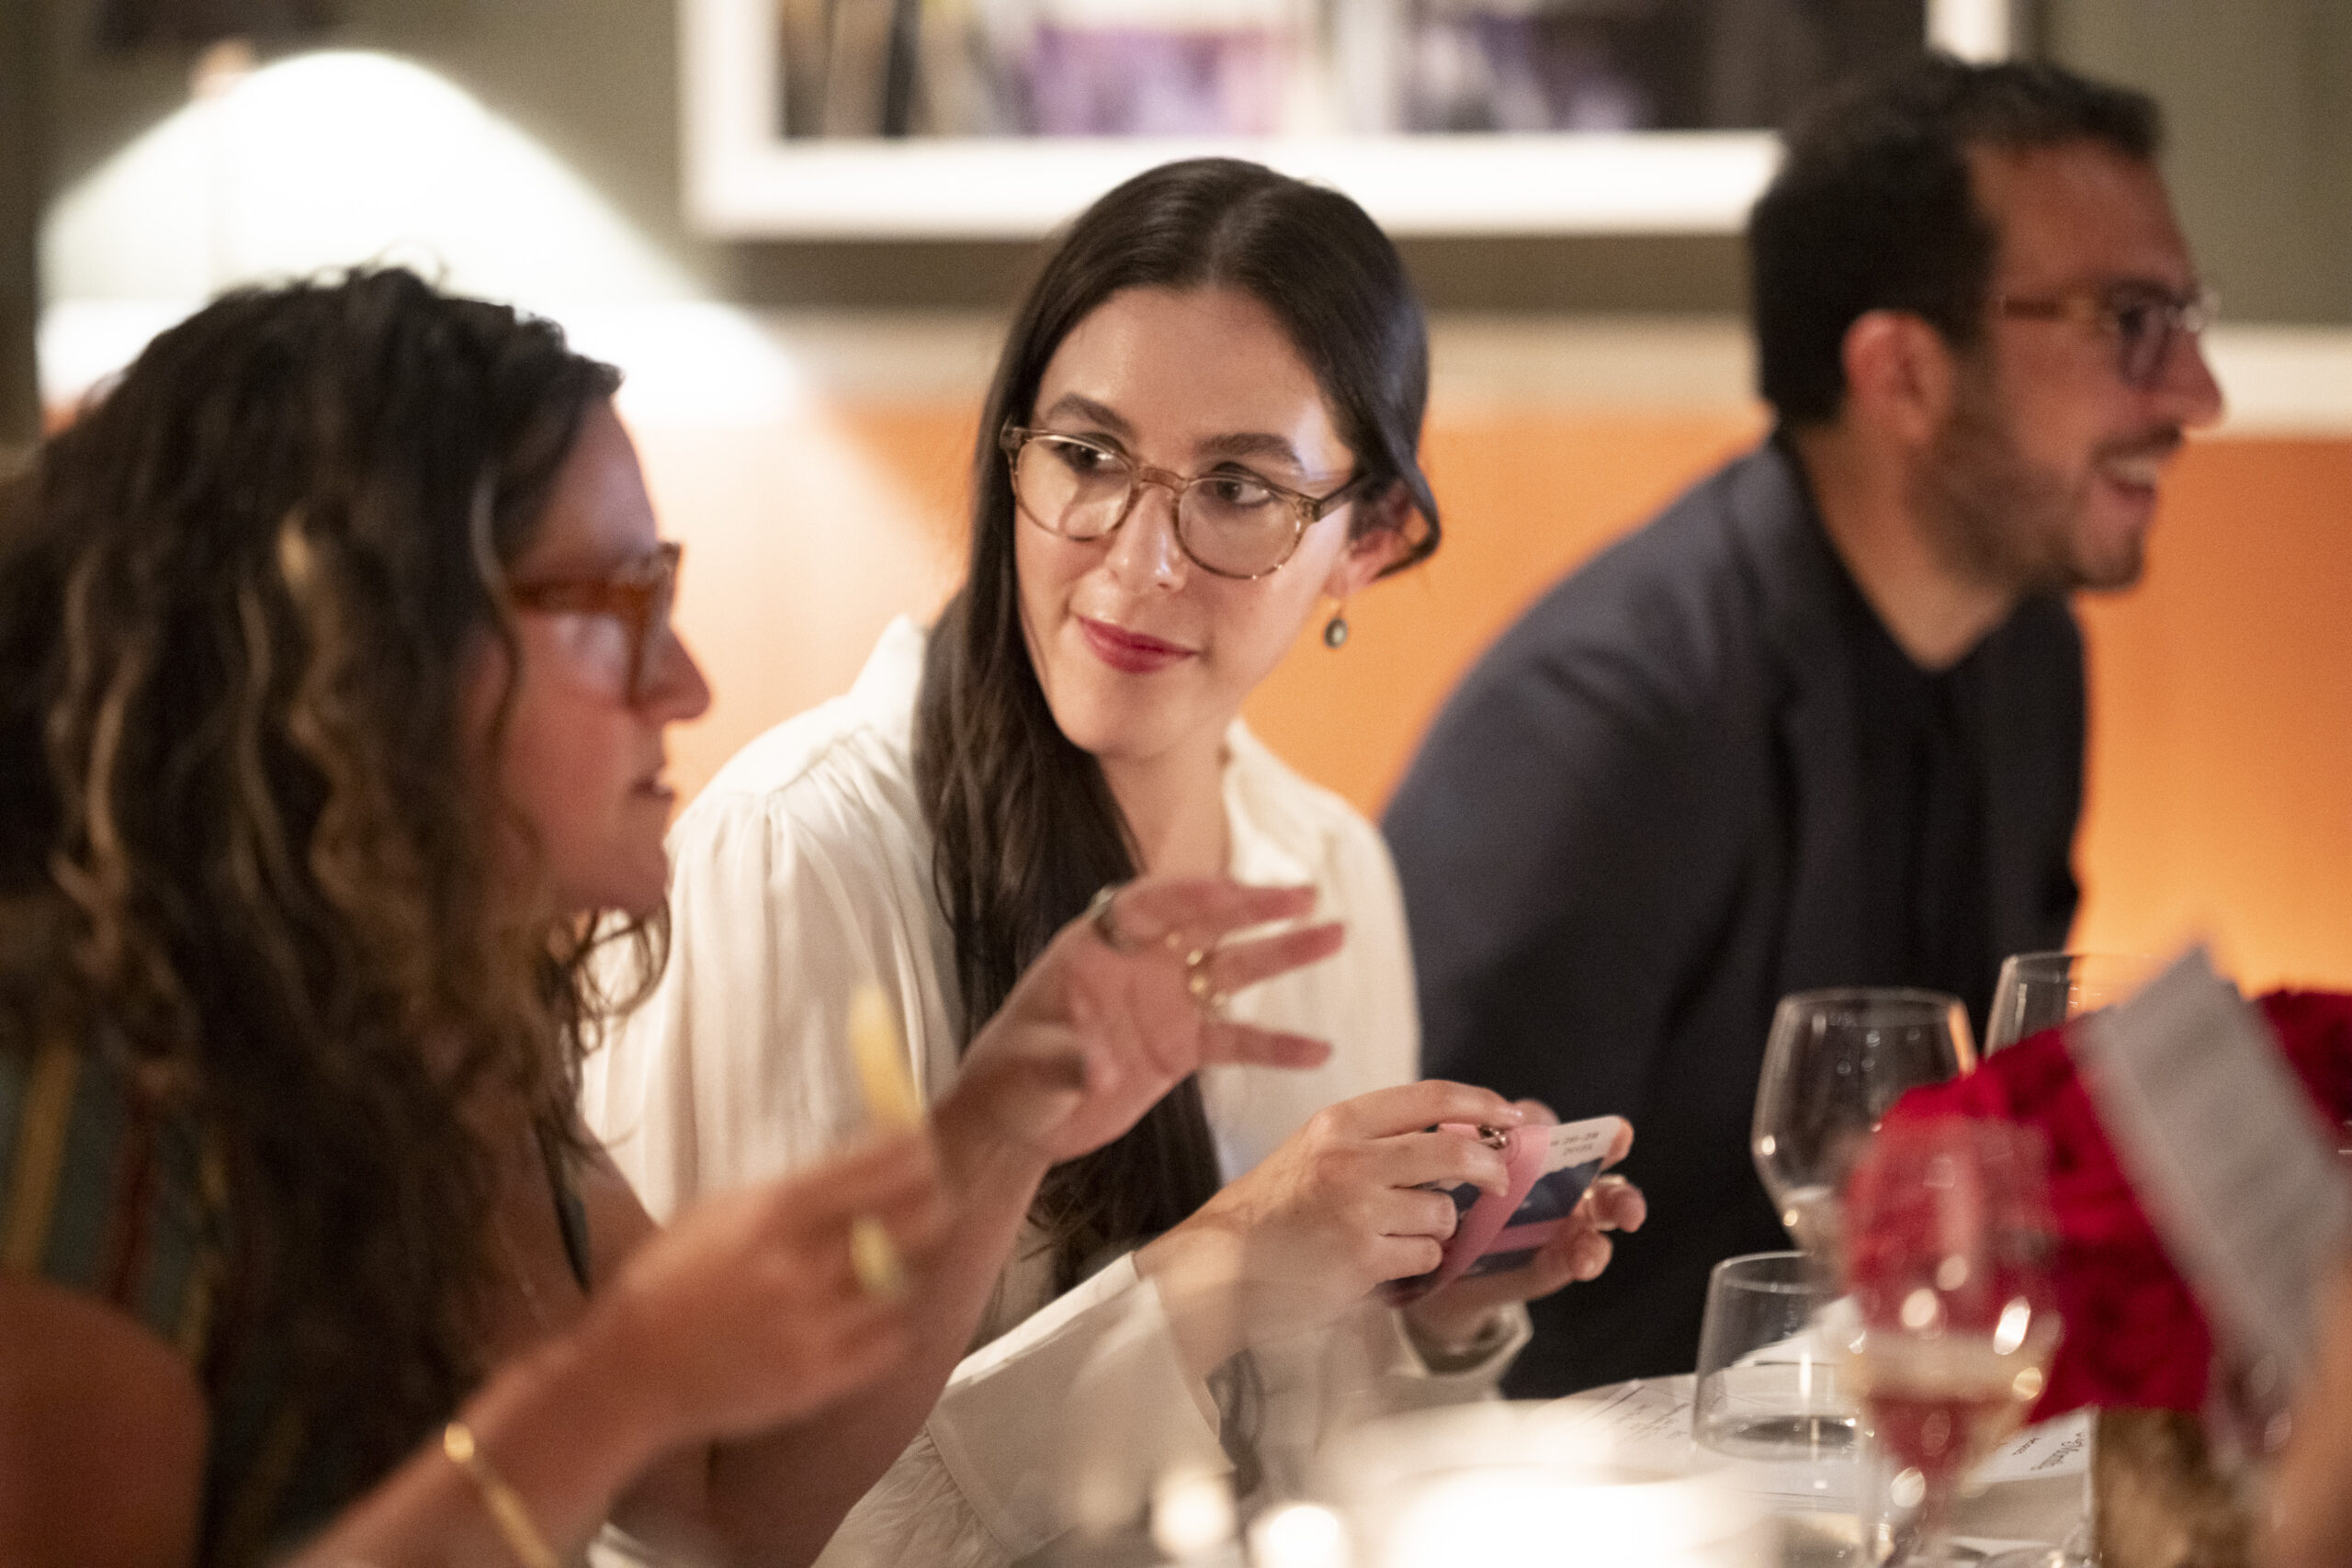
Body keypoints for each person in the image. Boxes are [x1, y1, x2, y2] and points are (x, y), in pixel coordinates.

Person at [0, 269, 1339, 1566]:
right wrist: (615, 1383)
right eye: (615, 604)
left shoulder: (446, 1027)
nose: (684, 683)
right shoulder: (87, 1094)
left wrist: (1003, 1116)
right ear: (362, 655)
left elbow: (732, 1508)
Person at [585, 158, 1645, 1566]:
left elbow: (1309, 1486)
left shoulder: (1330, 871)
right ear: (1010, 456)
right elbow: (737, 1539)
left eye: (1238, 488)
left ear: (1369, 540)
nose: (1141, 563)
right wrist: (1212, 1272)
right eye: (1088, 459)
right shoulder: (801, 856)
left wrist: (1431, 1313)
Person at [1383, 54, 2225, 1396]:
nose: (2195, 396)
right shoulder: (1610, 723)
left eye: (2184, 318)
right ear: (1903, 373)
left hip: (1874, 1439)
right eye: (2130, 322)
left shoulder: (2030, 655)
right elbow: (1411, 1301)